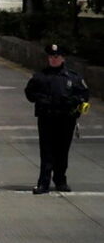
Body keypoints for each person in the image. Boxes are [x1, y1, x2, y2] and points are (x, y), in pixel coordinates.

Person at [25, 43, 90, 194]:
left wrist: (75, 102)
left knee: (62, 151)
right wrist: (41, 99)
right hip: (47, 118)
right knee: (46, 151)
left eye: (56, 57)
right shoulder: (40, 76)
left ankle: (60, 180)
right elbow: (29, 93)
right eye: (51, 57)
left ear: (62, 58)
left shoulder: (73, 77)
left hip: (66, 119)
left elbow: (84, 95)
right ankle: (44, 183)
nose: (53, 60)